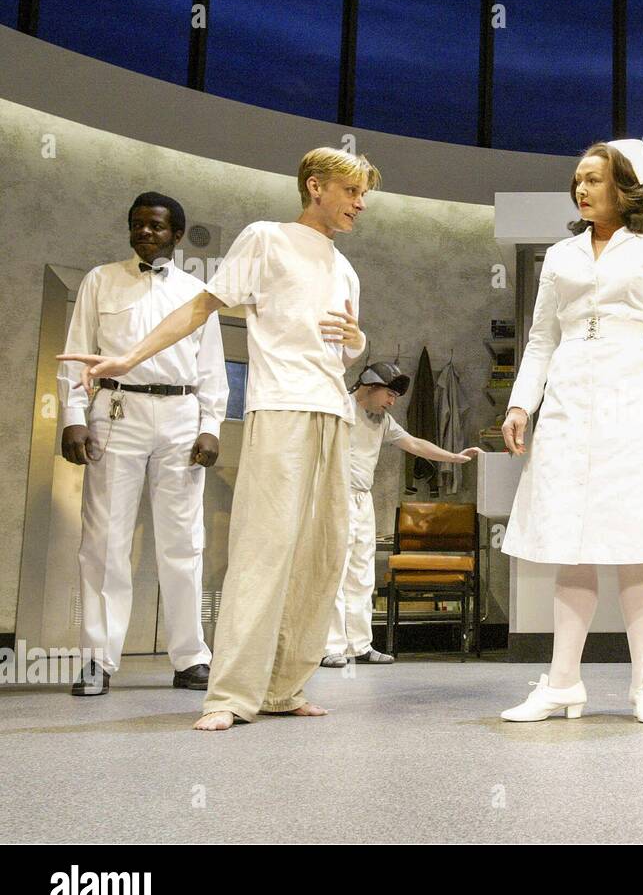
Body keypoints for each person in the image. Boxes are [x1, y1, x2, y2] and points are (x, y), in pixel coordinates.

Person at [59, 147, 379, 731]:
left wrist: (357, 340)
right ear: (315, 187)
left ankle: (283, 686)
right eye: (352, 192)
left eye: (364, 195)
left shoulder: (343, 265)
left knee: (322, 553)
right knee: (265, 548)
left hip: (334, 411)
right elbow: (202, 306)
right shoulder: (266, 238)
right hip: (281, 407)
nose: (361, 204)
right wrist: (129, 356)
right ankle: (230, 693)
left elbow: (340, 344)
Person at [498, 139, 643, 724]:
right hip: (567, 401)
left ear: (624, 187)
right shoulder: (560, 255)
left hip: (634, 399)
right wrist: (519, 406)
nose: (581, 189)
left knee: (637, 543)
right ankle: (562, 684)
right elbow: (540, 339)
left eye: (593, 179)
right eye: (577, 180)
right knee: (570, 542)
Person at [58, 192, 228, 696]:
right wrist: (71, 415)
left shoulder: (199, 292)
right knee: (104, 540)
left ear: (177, 234)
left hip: (180, 415)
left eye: (156, 226)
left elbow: (212, 367)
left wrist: (211, 426)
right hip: (115, 412)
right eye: (137, 225)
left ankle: (191, 657)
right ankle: (98, 662)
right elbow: (77, 353)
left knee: (183, 540)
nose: (145, 233)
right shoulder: (99, 279)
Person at [321, 361, 483, 667]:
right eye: (389, 394)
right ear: (368, 387)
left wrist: (453, 457)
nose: (392, 402)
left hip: (361, 498)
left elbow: (413, 443)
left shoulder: (381, 419)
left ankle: (360, 645)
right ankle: (330, 647)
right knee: (335, 571)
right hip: (334, 496)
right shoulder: (339, 406)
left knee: (361, 573)